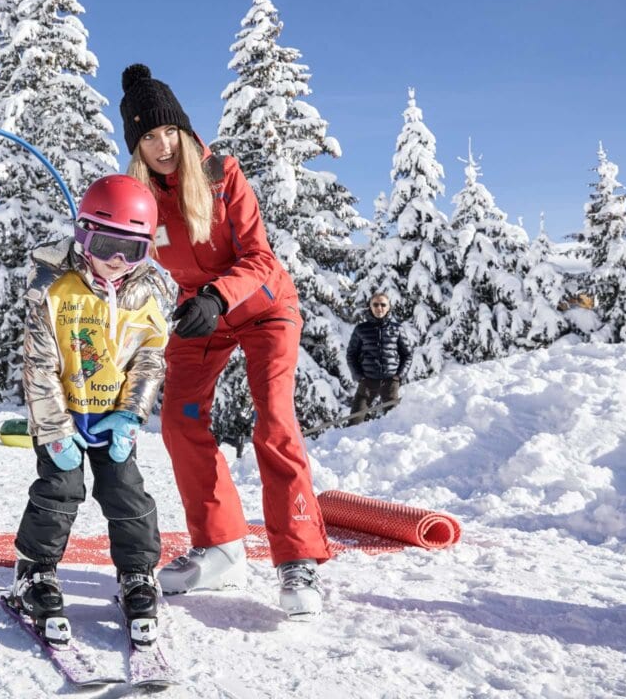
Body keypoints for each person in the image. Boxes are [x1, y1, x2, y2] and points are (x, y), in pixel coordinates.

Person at [120, 63, 330, 617]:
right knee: (180, 420)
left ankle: (297, 559)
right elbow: (122, 259)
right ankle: (220, 547)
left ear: (185, 132)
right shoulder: (141, 201)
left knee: (273, 421)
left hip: (262, 308)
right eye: (148, 137)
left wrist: (217, 295)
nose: (162, 145)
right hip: (200, 318)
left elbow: (260, 257)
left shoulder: (222, 175)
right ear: (136, 148)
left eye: (169, 132)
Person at [11, 174, 170, 641]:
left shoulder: (146, 294)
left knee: (126, 490)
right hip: (62, 411)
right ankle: (34, 571)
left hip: (112, 414)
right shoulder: (53, 288)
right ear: (83, 234)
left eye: (133, 251)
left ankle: (137, 572)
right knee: (60, 489)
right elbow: (38, 364)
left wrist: (131, 413)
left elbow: (150, 357)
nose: (117, 262)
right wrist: (55, 426)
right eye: (106, 244)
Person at [345, 293, 412, 426]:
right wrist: (359, 377)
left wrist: (399, 376)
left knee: (395, 421)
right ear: (370, 307)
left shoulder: (397, 329)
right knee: (354, 420)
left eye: (383, 305)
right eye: (375, 304)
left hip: (390, 381)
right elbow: (351, 355)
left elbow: (407, 354)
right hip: (368, 381)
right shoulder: (361, 329)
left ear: (388, 307)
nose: (379, 308)